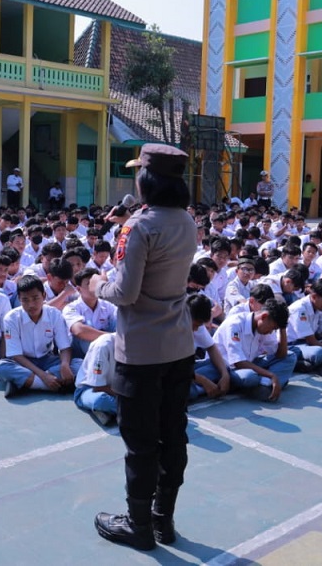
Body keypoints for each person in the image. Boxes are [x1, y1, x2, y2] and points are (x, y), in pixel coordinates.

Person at [90, 143, 197, 551]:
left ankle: (137, 525)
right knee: (173, 435)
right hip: (178, 343)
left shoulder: (138, 226)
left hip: (141, 350)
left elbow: (125, 291)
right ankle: (161, 520)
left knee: (140, 443)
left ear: (147, 178)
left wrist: (97, 284)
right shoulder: (187, 221)